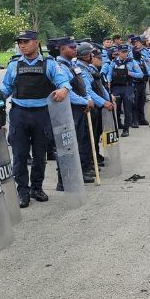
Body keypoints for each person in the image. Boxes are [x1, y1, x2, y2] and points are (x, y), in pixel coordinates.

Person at [1, 30, 71, 207]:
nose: (22, 45)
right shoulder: (14, 65)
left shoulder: (49, 64)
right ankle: (22, 191)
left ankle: (36, 188)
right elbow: (5, 89)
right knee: (20, 155)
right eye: (20, 42)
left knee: (40, 155)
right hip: (19, 115)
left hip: (42, 114)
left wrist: (64, 89)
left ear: (36, 42)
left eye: (26, 41)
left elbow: (63, 81)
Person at [54, 38, 96, 190]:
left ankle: (75, 174)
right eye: (71, 47)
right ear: (62, 49)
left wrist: (87, 99)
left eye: (75, 47)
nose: (75, 50)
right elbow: (68, 93)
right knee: (66, 146)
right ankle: (63, 179)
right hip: (67, 110)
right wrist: (85, 102)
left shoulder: (72, 65)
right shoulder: (59, 66)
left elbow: (81, 86)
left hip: (78, 109)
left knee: (77, 144)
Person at [107, 45, 143, 135]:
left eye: (126, 51)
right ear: (118, 52)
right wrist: (108, 81)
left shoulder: (132, 61)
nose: (125, 53)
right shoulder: (114, 62)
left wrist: (130, 73)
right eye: (123, 52)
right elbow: (109, 74)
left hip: (128, 87)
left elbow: (140, 74)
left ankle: (126, 130)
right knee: (116, 109)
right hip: (116, 88)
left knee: (128, 109)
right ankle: (116, 127)